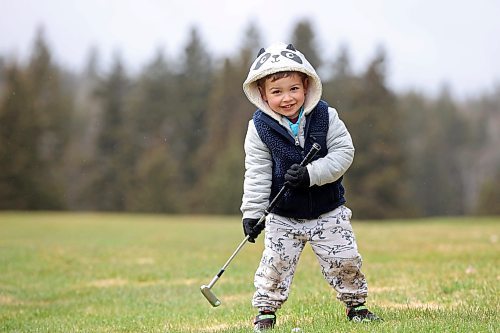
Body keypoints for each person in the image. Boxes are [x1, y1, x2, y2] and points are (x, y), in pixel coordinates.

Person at [240, 42, 381, 332]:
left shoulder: (326, 117)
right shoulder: (259, 128)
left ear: (307, 85)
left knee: (345, 260)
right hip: (283, 216)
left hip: (328, 211)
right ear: (262, 94)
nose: (287, 98)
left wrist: (310, 174)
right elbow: (257, 172)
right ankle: (265, 312)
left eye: (293, 89)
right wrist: (253, 214)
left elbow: (344, 154)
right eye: (276, 92)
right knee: (274, 266)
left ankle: (356, 307)